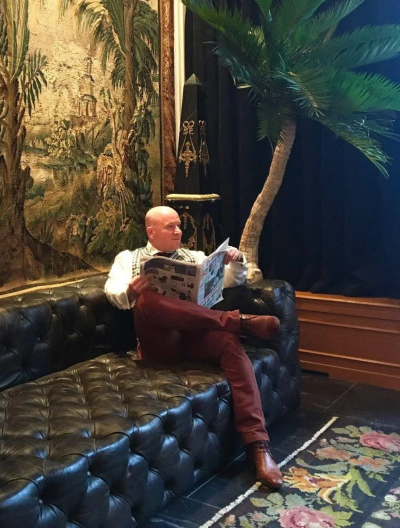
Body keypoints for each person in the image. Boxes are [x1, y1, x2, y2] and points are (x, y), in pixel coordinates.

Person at [105, 205, 283, 489]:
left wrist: (236, 260)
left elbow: (231, 280)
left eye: (179, 225)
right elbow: (113, 292)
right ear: (151, 232)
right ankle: (238, 322)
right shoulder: (129, 258)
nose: (179, 231)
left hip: (194, 336)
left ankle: (258, 445)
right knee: (147, 301)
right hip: (158, 343)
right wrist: (129, 291)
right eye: (171, 227)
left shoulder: (195, 258)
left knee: (228, 342)